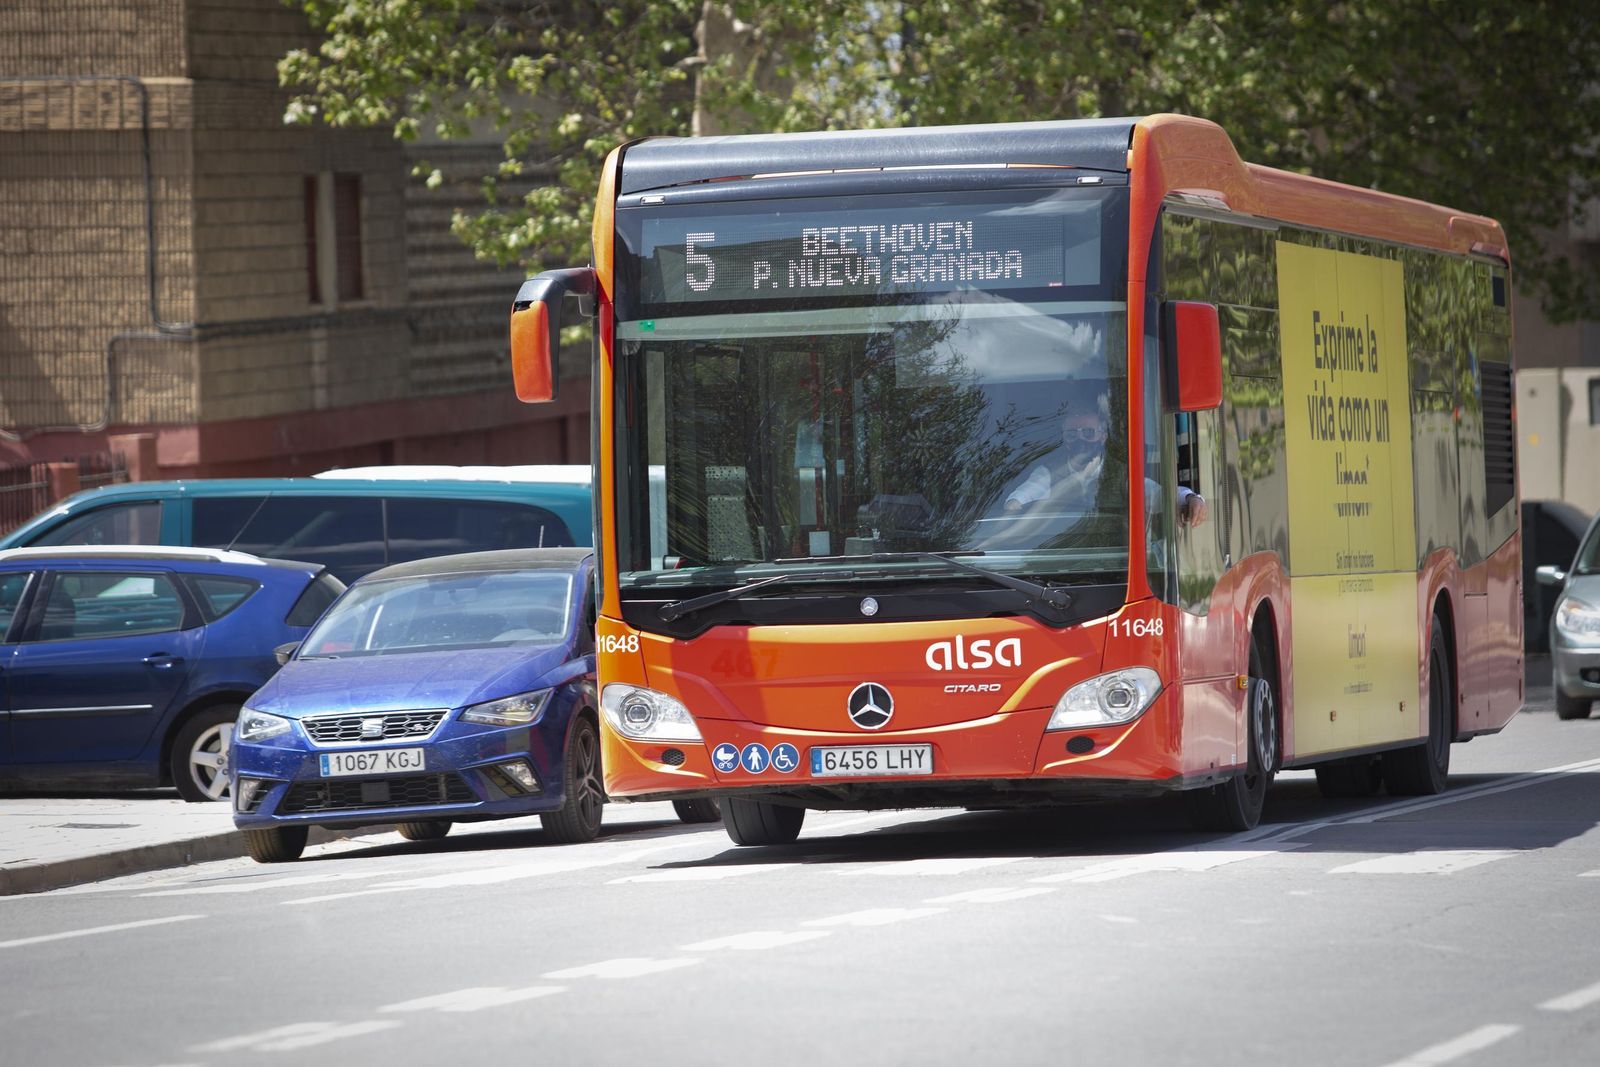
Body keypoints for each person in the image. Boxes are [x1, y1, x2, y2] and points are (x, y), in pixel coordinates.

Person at [1003, 407, 1208, 526]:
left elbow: (1157, 495)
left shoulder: (1121, 473)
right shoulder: (1047, 471)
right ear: (1065, 441)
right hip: (1053, 552)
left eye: (1088, 433)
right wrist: (1014, 505)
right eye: (1073, 435)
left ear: (1102, 436)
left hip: (1109, 557)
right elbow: (1022, 496)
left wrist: (1191, 498)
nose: (1080, 439)